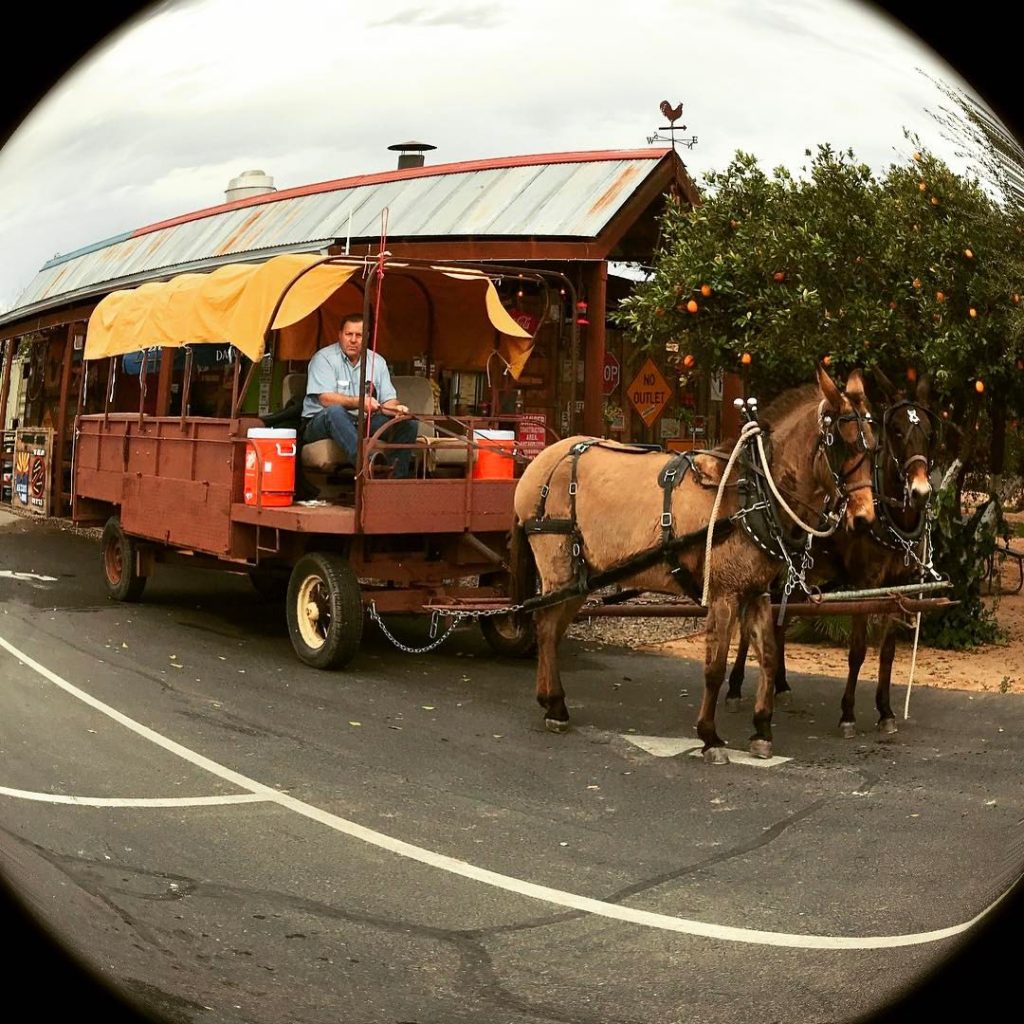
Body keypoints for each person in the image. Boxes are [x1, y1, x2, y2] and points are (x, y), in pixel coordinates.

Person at [301, 314, 418, 478]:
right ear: (340, 335)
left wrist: (396, 409)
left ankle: (394, 481)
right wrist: (360, 402)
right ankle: (367, 466)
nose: (353, 340)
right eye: (349, 334)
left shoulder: (377, 362)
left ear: (367, 337)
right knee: (335, 411)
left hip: (362, 422)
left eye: (359, 335)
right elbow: (325, 399)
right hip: (321, 422)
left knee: (408, 423)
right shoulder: (324, 358)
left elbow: (388, 400)